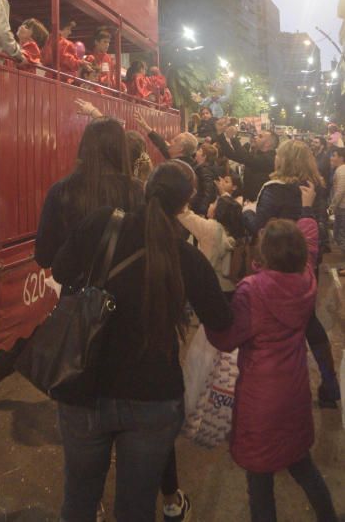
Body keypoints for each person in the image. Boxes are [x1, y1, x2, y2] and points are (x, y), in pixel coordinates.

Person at [51, 161, 233, 522]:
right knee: (136, 508)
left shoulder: (103, 222)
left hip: (85, 384)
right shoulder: (187, 256)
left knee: (79, 500)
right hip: (152, 397)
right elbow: (222, 322)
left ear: (145, 186)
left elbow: (60, 270)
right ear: (186, 202)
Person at [207, 193, 339, 522]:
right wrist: (306, 208)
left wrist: (211, 316)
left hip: (260, 398)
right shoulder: (306, 280)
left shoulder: (254, 290)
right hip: (293, 388)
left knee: (259, 479)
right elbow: (309, 240)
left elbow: (226, 338)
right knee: (302, 464)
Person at [243, 139, 340, 407]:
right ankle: (330, 383)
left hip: (275, 265)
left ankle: (276, 389)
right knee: (308, 319)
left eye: (278, 154)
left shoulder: (274, 190)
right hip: (306, 262)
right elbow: (319, 227)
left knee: (275, 324)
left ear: (284, 160)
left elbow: (261, 229)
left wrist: (245, 212)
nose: (274, 157)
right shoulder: (314, 187)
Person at [34, 117, 143, 270]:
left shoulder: (61, 190)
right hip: (126, 290)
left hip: (77, 290)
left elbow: (44, 257)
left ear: (84, 147)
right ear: (122, 149)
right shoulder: (137, 191)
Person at [179, 194, 246, 299]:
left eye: (213, 203)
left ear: (218, 211)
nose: (210, 204)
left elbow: (185, 216)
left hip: (211, 286)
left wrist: (183, 197)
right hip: (230, 287)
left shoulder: (210, 228)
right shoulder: (232, 233)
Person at [215, 120, 278, 201]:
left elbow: (245, 157)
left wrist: (233, 137)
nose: (255, 137)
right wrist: (221, 134)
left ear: (267, 144)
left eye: (260, 136)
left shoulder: (270, 159)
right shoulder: (257, 154)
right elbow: (230, 154)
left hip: (258, 204)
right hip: (249, 201)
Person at [330, 147, 345, 256]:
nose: (332, 158)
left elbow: (340, 191)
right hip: (341, 207)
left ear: (341, 158)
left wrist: (332, 207)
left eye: (334, 155)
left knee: (340, 236)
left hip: (342, 207)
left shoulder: (341, 170)